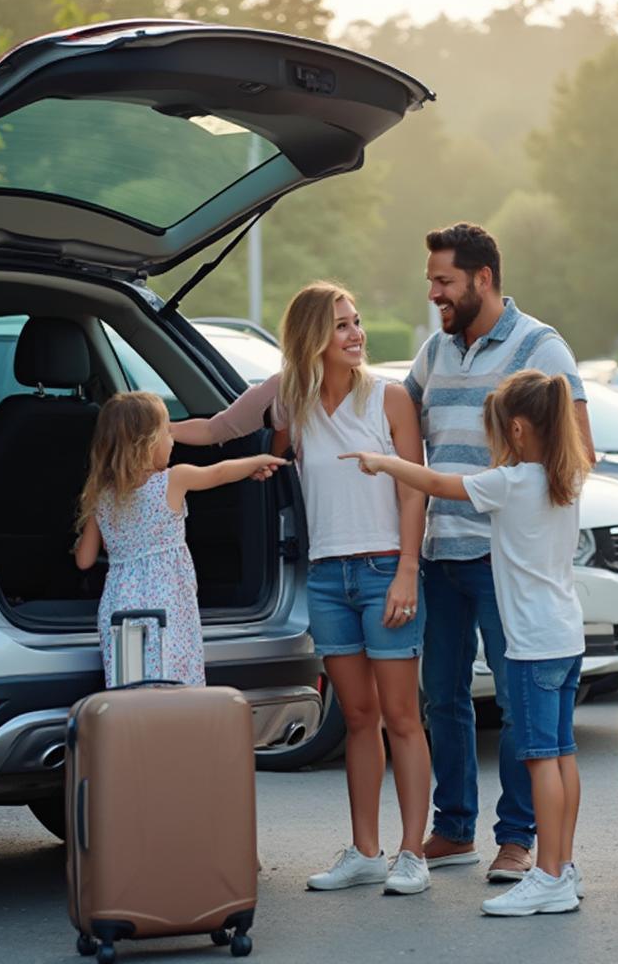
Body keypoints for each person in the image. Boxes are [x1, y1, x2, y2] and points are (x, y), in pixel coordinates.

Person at [169, 282, 432, 896]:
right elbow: (216, 430)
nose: (356, 334)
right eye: (342, 325)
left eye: (357, 322)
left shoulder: (389, 398)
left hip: (382, 570)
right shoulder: (289, 399)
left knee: (401, 718)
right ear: (313, 335)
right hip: (327, 577)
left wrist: (407, 573)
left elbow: (413, 488)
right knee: (359, 718)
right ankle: (366, 851)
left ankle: (412, 853)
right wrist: (143, 423)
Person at [342, 367, 591, 917]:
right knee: (563, 754)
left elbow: (438, 485)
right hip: (566, 637)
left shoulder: (512, 482)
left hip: (530, 645)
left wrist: (383, 461)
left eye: (498, 432)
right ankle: (564, 868)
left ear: (520, 430)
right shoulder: (565, 478)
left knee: (540, 759)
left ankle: (547, 875)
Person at [402, 222, 596, 883]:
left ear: (483, 278)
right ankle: (453, 830)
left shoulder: (542, 347)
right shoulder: (432, 353)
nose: (434, 293)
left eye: (444, 281)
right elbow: (397, 425)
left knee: (519, 704)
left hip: (500, 560)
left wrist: (519, 498)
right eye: (432, 281)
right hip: (441, 552)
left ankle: (517, 840)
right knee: (445, 699)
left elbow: (579, 452)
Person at [74, 390, 285, 687]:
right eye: (167, 432)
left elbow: (84, 560)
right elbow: (220, 472)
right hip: (169, 605)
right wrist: (256, 461)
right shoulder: (174, 479)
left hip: (119, 608)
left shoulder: (103, 496)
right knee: (173, 681)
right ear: (147, 443)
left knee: (129, 685)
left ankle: (131, 732)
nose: (172, 440)